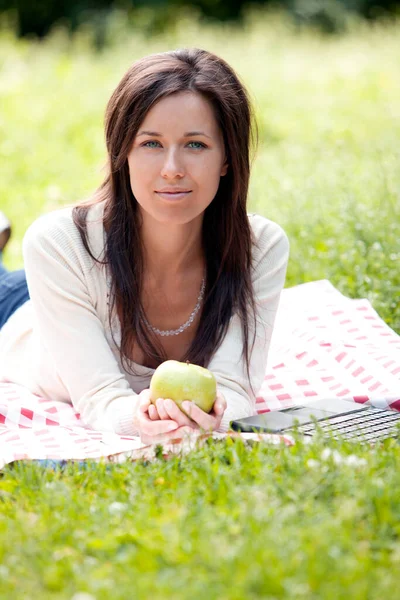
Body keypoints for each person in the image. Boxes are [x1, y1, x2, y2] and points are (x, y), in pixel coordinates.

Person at [0, 48, 289, 446]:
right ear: (124, 153)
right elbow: (100, 397)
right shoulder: (57, 241)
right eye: (151, 143)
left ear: (227, 159)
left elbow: (236, 391)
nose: (172, 168)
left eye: (196, 145)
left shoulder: (260, 246)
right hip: (17, 313)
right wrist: (136, 420)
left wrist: (210, 417)